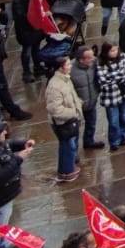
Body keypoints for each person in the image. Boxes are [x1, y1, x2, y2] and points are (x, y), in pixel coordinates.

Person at [44, 55, 84, 183]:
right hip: (63, 122)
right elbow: (55, 109)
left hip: (70, 119)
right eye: (68, 64)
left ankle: (68, 168)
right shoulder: (54, 86)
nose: (70, 66)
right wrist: (74, 112)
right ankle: (66, 173)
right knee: (67, 147)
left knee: (69, 146)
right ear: (61, 68)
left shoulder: (65, 79)